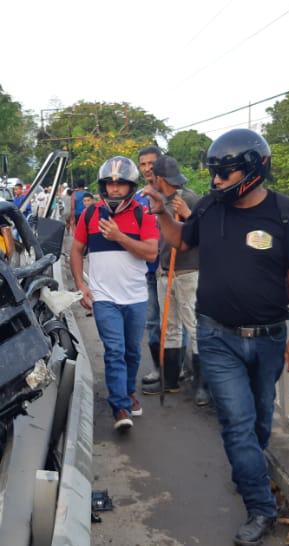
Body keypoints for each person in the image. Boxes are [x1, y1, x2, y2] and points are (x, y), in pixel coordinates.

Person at [144, 129, 289, 546]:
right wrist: (163, 212)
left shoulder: (285, 213)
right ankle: (261, 509)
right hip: (217, 336)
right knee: (236, 423)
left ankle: (249, 472)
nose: (217, 182)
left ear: (253, 170)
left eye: (225, 174)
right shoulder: (213, 208)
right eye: (215, 175)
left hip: (272, 337)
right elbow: (181, 240)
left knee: (259, 416)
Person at [71, 156, 159, 431]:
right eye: (110, 184)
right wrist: (80, 285)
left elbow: (151, 252)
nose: (114, 189)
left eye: (120, 184)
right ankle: (120, 405)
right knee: (115, 350)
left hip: (135, 297)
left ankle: (129, 392)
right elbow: (76, 250)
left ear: (130, 186)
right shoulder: (89, 214)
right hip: (103, 297)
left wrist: (119, 236)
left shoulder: (142, 214)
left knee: (132, 351)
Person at [150, 156, 207, 404]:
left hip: (188, 272)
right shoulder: (158, 201)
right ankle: (171, 379)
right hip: (165, 271)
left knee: (193, 327)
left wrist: (188, 215)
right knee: (169, 327)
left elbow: (206, 234)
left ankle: (201, 385)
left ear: (160, 178)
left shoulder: (190, 198)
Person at [135, 146, 165, 394]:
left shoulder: (172, 192)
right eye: (142, 164)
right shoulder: (137, 198)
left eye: (151, 163)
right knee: (153, 321)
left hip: (173, 268)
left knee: (177, 322)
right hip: (147, 269)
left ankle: (178, 369)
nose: (147, 168)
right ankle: (159, 368)